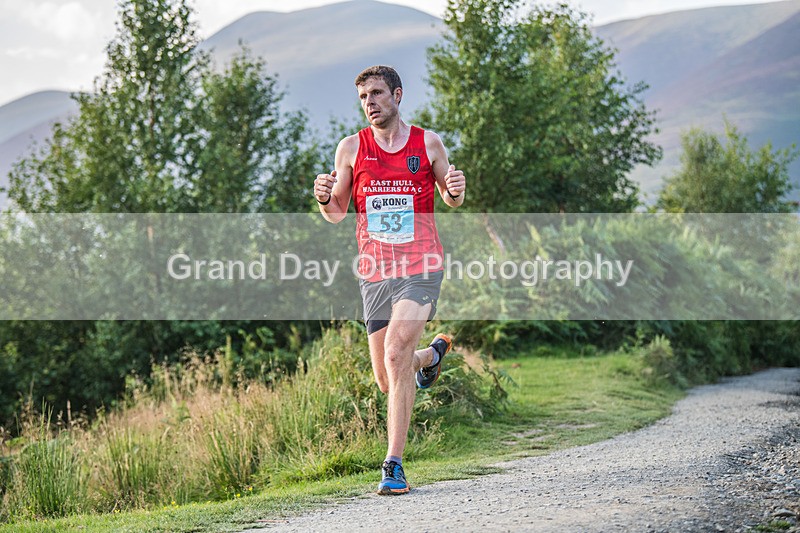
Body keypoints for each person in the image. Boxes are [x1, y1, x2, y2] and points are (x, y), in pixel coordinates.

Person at [313, 65, 466, 495]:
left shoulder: (426, 143)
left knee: (397, 350)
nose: (370, 103)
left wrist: (455, 187)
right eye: (364, 97)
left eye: (377, 94)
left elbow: (452, 199)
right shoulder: (350, 149)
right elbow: (336, 213)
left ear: (398, 95)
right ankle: (430, 359)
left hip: (421, 267)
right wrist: (324, 197)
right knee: (387, 376)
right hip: (375, 273)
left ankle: (393, 465)